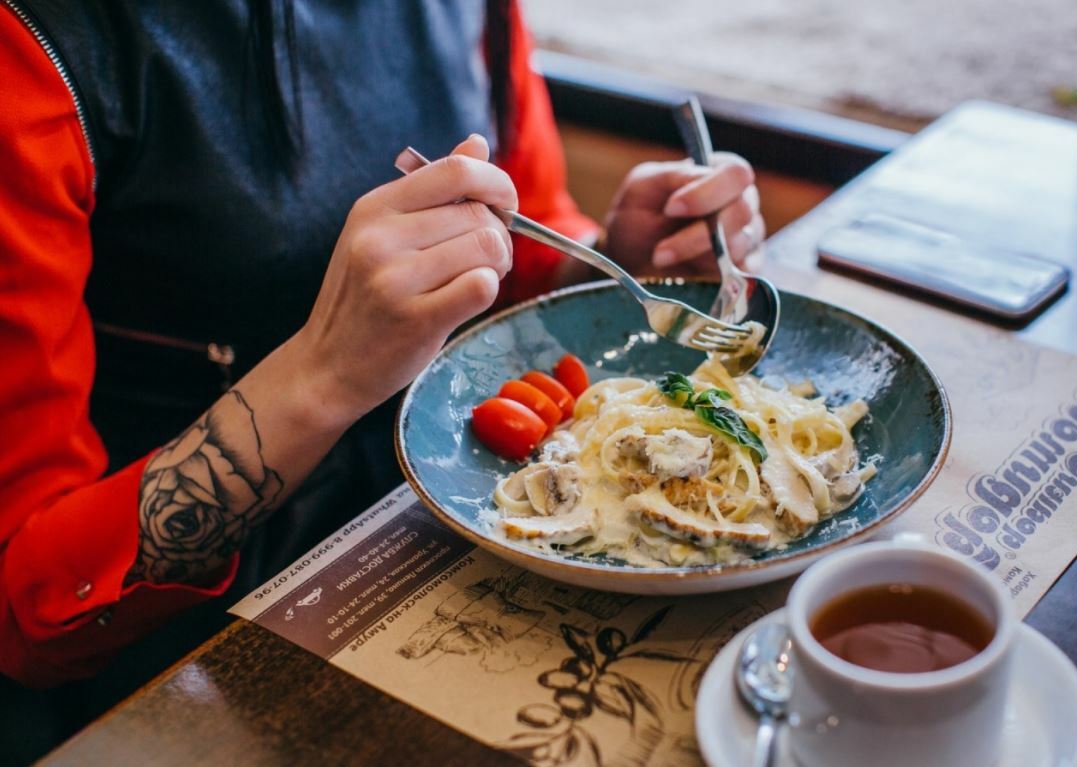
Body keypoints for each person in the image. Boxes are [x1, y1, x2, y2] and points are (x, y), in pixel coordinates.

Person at [0, 0, 762, 741]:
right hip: (199, 652)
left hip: (474, 534)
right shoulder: (34, 45)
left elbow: (524, 242)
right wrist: (324, 373)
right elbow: (28, 613)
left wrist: (605, 268)